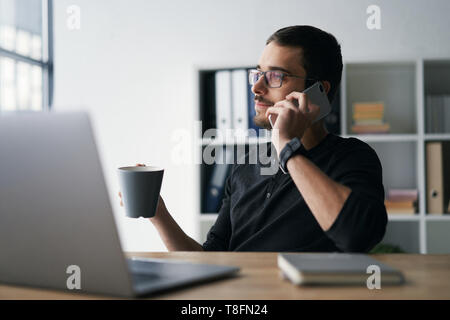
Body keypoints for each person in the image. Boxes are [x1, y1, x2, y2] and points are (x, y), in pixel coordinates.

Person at [120, 25, 388, 252]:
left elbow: (357, 236)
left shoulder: (352, 157)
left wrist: (287, 148)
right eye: (258, 73)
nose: (256, 87)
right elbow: (210, 259)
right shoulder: (245, 165)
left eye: (274, 76)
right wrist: (159, 215)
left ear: (318, 91)